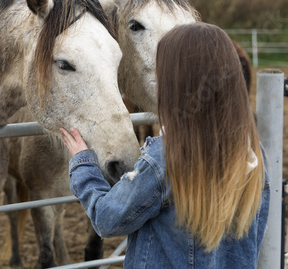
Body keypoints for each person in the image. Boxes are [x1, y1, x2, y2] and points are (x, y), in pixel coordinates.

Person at [61, 23, 270, 268]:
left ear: (176, 82)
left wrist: (82, 165)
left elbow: (107, 219)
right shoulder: (255, 155)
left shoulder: (166, 157)